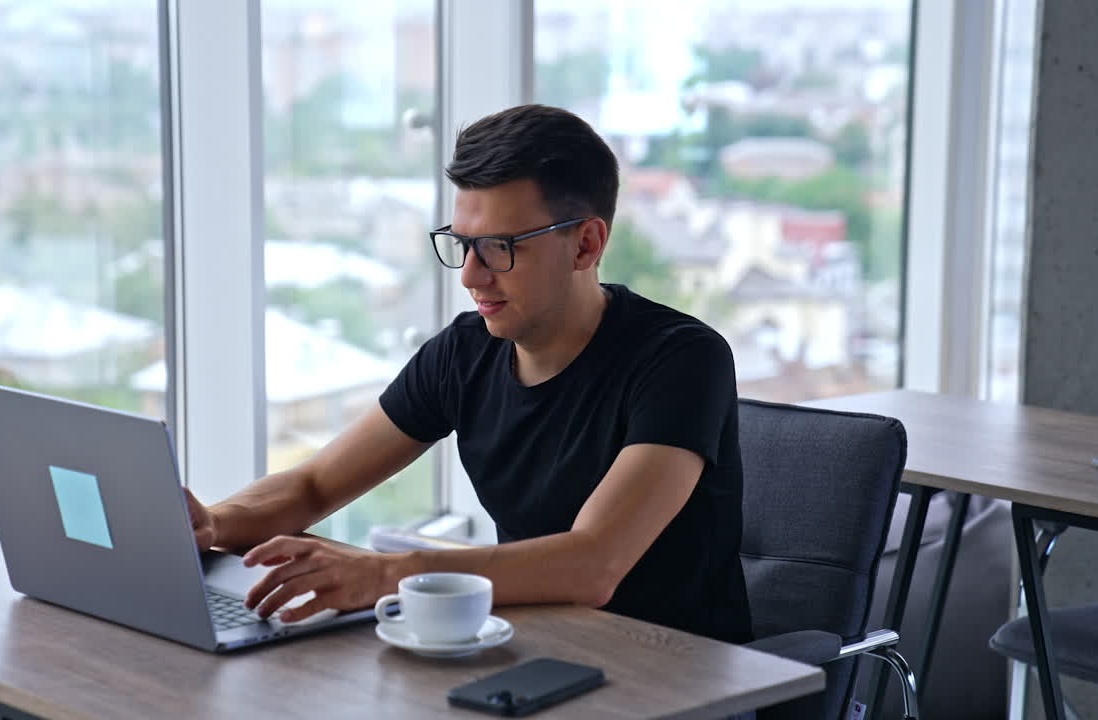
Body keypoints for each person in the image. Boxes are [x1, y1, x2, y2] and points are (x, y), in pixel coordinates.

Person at [186, 104, 752, 645]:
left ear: (586, 244)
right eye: (462, 245)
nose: (471, 276)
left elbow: (593, 564)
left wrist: (385, 575)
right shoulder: (464, 352)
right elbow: (314, 486)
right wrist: (215, 522)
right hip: (533, 649)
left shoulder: (681, 360)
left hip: (677, 674)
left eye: (500, 248)